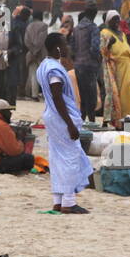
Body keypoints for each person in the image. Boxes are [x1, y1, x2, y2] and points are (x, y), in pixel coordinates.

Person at [37, 34, 92, 213]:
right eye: (64, 44)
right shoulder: (53, 69)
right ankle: (68, 201)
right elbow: (57, 95)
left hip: (51, 116)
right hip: (61, 117)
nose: (68, 46)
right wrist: (69, 123)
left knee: (57, 157)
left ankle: (58, 200)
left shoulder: (44, 65)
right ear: (57, 48)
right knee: (70, 157)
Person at [100, 10, 130, 126]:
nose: (117, 21)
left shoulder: (122, 33)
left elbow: (127, 49)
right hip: (115, 67)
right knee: (116, 94)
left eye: (118, 18)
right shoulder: (105, 32)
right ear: (108, 21)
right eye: (114, 19)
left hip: (127, 66)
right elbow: (102, 52)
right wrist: (108, 44)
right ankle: (117, 120)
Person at [71, 7, 102, 122]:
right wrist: (98, 58)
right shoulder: (93, 28)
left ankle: (82, 120)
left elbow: (72, 48)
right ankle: (92, 121)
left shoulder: (76, 28)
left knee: (83, 95)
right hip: (90, 65)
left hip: (78, 65)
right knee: (92, 95)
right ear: (94, 14)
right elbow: (95, 47)